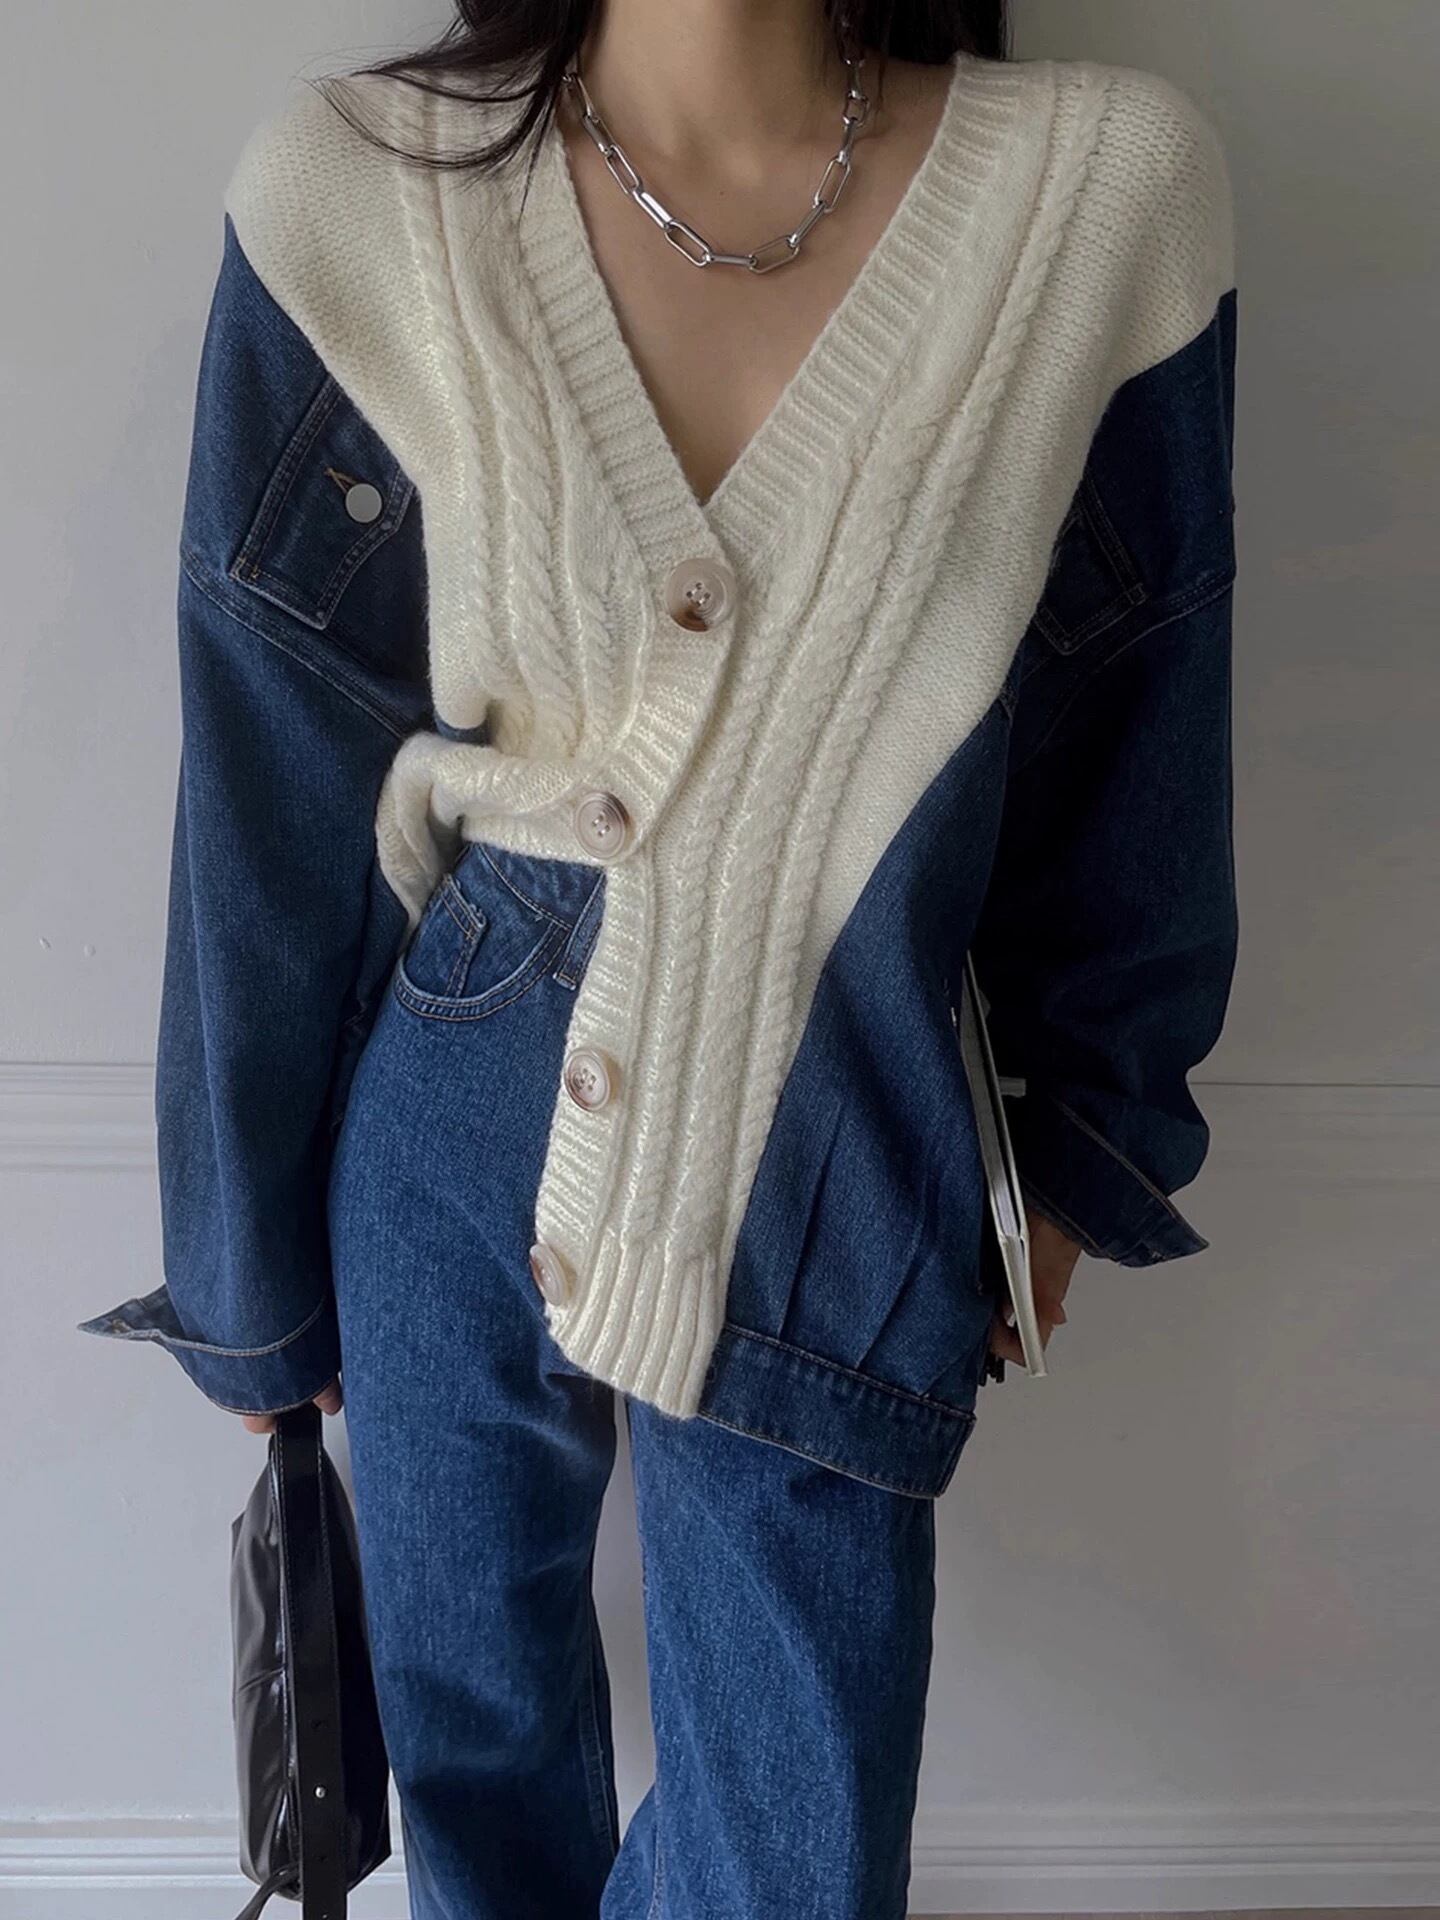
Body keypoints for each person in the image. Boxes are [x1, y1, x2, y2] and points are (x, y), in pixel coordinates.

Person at [77, 1, 1239, 1913]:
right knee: (472, 1778)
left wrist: (1082, 1144)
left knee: (793, 1852)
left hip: (840, 1131)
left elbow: (1141, 711)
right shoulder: (362, 188)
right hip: (444, 1097)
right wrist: (249, 1273)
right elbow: (271, 771)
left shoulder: (1101, 191)